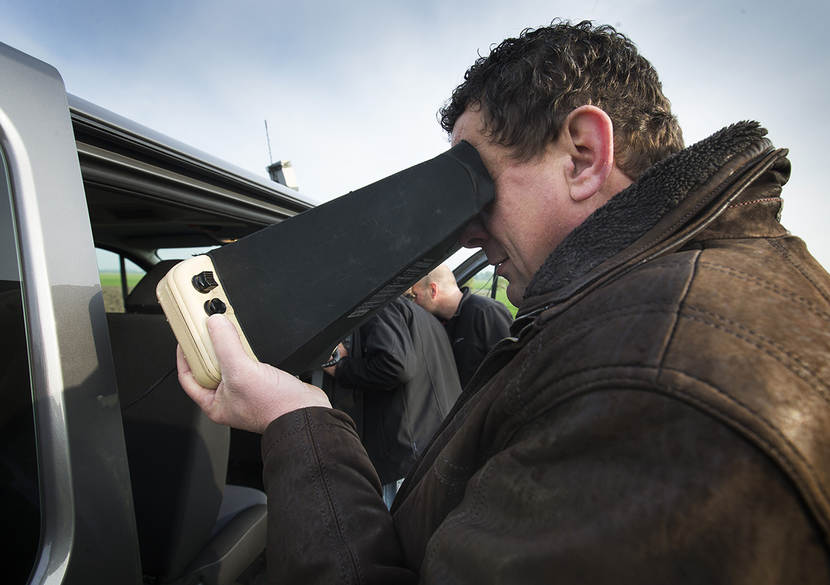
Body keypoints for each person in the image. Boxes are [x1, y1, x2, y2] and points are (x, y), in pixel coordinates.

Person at [177, 20, 830, 584]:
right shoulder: (650, 316)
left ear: (583, 157)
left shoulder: (660, 376)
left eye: (476, 180)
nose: (463, 229)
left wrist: (296, 420)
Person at [321, 296, 462, 508]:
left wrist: (342, 367)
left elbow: (396, 366)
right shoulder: (426, 317)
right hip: (432, 445)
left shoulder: (381, 307)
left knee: (397, 524)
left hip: (404, 454)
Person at [411, 264, 512, 387]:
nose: (413, 303)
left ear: (433, 290)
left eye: (415, 296)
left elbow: (510, 367)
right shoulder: (435, 323)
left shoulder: (486, 312)